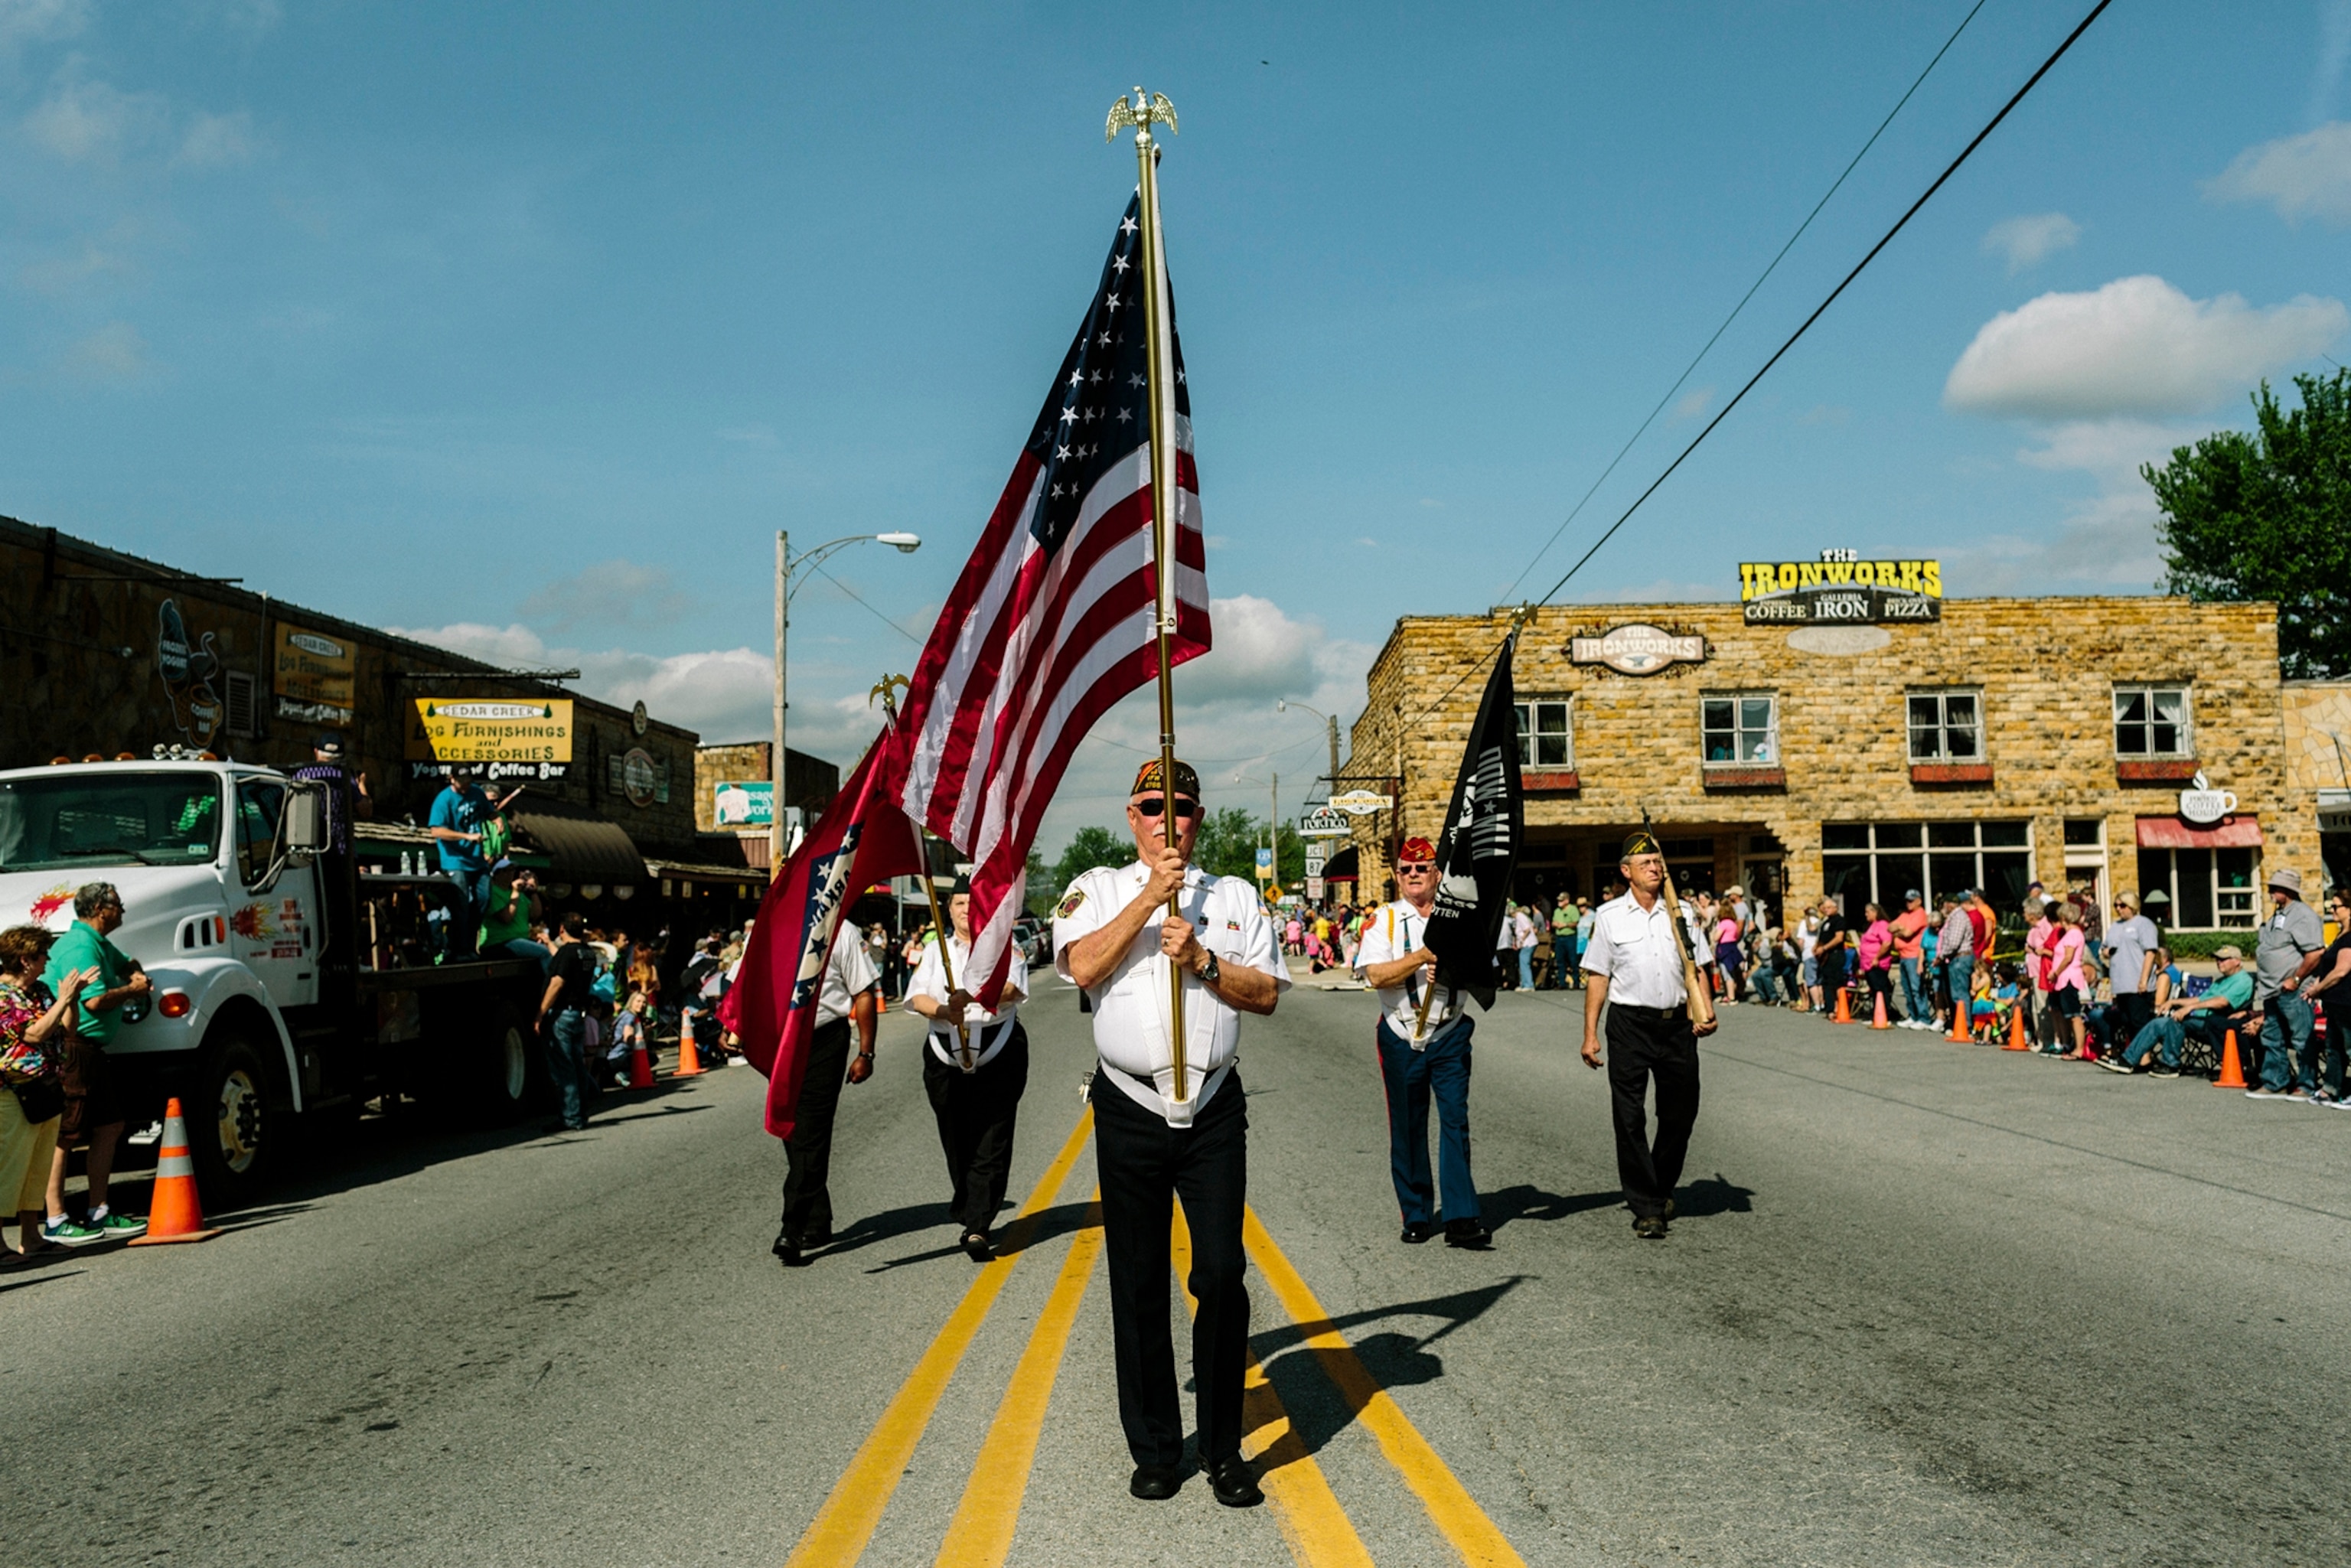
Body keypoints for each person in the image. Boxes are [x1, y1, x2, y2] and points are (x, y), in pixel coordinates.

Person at [1054, 758, 1286, 1508]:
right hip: (1128, 1109)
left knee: (1221, 1273)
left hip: (1214, 1109)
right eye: (1153, 806)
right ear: (1132, 815)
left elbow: (1267, 995)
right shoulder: (1098, 888)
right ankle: (1156, 1445)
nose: (1168, 820)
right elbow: (1082, 967)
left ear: (1200, 816)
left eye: (1181, 807)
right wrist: (1150, 899)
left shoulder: (1236, 897)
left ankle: (1223, 1449)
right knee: (1138, 1280)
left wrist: (1204, 961)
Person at [1580, 832, 1719, 1240]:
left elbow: (1699, 967)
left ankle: (1659, 1183)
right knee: (1630, 1116)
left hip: (1677, 1025)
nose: (1655, 868)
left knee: (1680, 1114)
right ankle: (1647, 1207)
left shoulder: (1684, 914)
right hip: (1629, 1025)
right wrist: (1590, 1034)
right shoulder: (1609, 917)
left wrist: (1705, 1010)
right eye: (1646, 864)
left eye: (1658, 862)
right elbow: (1598, 977)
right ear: (1626, 872)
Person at [1355, 836, 1489, 1250]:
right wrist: (1421, 958)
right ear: (1398, 877)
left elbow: (1485, 974)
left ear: (1438, 874)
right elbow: (1376, 975)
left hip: (1448, 1032)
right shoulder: (1387, 920)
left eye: (1422, 868)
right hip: (1401, 1033)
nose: (1414, 875)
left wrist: (1451, 968)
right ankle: (1416, 1213)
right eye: (1406, 870)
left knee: (1454, 1120)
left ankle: (1461, 1215)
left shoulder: (1462, 918)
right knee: (1409, 1125)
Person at [907, 879, 1030, 1262]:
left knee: (992, 1138)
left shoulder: (1004, 945)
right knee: (957, 1136)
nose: (965, 909)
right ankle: (969, 1202)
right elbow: (918, 996)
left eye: (971, 903)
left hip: (997, 1046)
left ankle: (978, 1225)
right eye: (959, 903)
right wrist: (944, 1011)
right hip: (945, 1052)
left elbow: (1011, 989)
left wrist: (974, 995)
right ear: (949, 909)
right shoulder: (935, 950)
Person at [42, 883, 151, 1242]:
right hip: (73, 1047)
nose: (123, 912)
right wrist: (133, 991)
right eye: (118, 906)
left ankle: (98, 1209)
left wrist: (134, 973)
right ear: (101, 909)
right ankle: (56, 1218)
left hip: (93, 1051)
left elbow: (126, 962)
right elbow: (93, 1002)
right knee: (66, 1134)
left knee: (110, 1125)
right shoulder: (80, 945)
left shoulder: (99, 942)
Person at [774, 914, 881, 1266]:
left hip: (825, 1039)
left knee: (811, 1133)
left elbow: (863, 992)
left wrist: (865, 1052)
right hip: (782, 1042)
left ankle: (792, 1227)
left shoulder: (843, 931)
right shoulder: (772, 926)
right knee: (792, 1131)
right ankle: (818, 1220)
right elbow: (746, 982)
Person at [0, 927, 96, 1263]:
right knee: (9, 1167)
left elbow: (68, 1029)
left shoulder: (38, 990)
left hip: (45, 1087)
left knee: (35, 1167)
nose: (47, 962)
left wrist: (71, 999)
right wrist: (65, 999)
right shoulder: (2, 996)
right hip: (14, 1092)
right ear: (26, 959)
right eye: (43, 955)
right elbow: (36, 1033)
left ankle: (32, 1237)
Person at [2103, 946, 2254, 1077]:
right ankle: (2128, 1060)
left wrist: (2190, 1008)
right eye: (2218, 959)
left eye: (2224, 959)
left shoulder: (2243, 981)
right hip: (2202, 1020)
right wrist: (2173, 1002)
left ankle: (2171, 1064)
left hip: (2216, 1024)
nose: (2219, 962)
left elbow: (2223, 1002)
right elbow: (2199, 999)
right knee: (2158, 1023)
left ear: (2237, 961)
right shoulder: (2222, 980)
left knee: (2175, 1022)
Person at [2248, 866, 2326, 1100]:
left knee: (2302, 1039)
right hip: (2272, 990)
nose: (2270, 892)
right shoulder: (2278, 915)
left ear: (2287, 890)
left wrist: (2297, 978)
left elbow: (2315, 952)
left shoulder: (2303, 915)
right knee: (2272, 1037)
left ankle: (2307, 1084)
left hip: (2293, 990)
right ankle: (2275, 1082)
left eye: (2274, 888)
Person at [536, 913, 601, 1132]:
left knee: (564, 1069)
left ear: (562, 929)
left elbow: (558, 982)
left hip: (562, 1014)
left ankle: (570, 1118)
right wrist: (548, 946)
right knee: (577, 1066)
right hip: (578, 1014)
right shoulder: (587, 953)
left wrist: (540, 1013)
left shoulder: (567, 952)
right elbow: (567, 962)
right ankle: (581, 1114)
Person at [426, 764, 496, 960]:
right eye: (461, 783)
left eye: (468, 782)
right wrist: (467, 836)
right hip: (455, 860)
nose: (465, 786)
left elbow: (489, 811)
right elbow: (436, 831)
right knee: (461, 903)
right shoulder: (444, 799)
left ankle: (469, 945)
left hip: (477, 860)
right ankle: (458, 949)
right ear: (451, 779)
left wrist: (496, 819)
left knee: (483, 899)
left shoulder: (477, 793)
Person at [2295, 890, 2351, 1105]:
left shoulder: (2349, 938)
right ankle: (2330, 1089)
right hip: (2334, 1004)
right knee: (2334, 1048)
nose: (2332, 911)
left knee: (2349, 1047)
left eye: (2336, 907)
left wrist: (2318, 989)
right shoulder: (2340, 936)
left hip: (2347, 1002)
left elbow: (2341, 971)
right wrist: (2318, 985)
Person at [2102, 892, 2161, 1051]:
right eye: (2116, 906)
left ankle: (2144, 1057)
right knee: (2126, 1021)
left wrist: (2143, 980)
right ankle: (2133, 1055)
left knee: (2138, 1021)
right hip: (2121, 983)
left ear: (2132, 906)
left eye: (2122, 906)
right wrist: (2106, 951)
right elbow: (2104, 947)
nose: (2118, 909)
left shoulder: (2144, 924)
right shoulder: (2115, 926)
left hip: (2137, 982)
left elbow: (2150, 953)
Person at [2040, 903, 2091, 1059]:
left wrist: (2056, 972)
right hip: (2062, 979)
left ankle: (2079, 1048)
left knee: (2074, 1014)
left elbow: (2068, 957)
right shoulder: (2068, 934)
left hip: (2069, 977)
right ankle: (2068, 1044)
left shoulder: (2074, 934)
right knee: (2065, 1013)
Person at [481, 862, 549, 965]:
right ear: (497, 874)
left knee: (551, 948)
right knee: (544, 952)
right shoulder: (493, 892)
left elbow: (535, 914)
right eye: (506, 870)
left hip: (520, 940)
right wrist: (516, 892)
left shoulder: (518, 894)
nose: (510, 874)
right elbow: (506, 918)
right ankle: (553, 981)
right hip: (499, 942)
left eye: (512, 870)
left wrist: (533, 892)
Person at [1890, 892, 1932, 1028]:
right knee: (1907, 989)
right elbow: (1889, 927)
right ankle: (1912, 1015)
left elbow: (1909, 933)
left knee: (1916, 988)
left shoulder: (1920, 915)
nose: (1909, 903)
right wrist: (1901, 929)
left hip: (1914, 956)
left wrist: (1900, 929)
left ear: (1919, 901)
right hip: (1903, 955)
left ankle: (1923, 1017)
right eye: (1907, 901)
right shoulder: (1904, 915)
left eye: (1912, 901)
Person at [1854, 902, 1894, 1024]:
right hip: (1868, 964)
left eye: (1868, 912)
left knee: (1880, 988)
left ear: (1875, 912)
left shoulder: (1882, 925)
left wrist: (1877, 957)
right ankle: (1876, 1014)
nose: (1866, 914)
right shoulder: (1872, 925)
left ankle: (1884, 1014)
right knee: (1874, 989)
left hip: (1877, 963)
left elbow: (1886, 942)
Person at [1813, 896, 1851, 1019]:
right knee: (1827, 983)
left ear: (1836, 908)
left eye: (1829, 907)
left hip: (1835, 955)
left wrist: (1824, 948)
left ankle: (1839, 1007)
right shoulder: (1826, 922)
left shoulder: (1839, 921)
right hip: (1825, 958)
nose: (1826, 910)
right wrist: (1816, 947)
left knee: (1836, 982)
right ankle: (1829, 1009)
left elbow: (1839, 938)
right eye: (1825, 908)